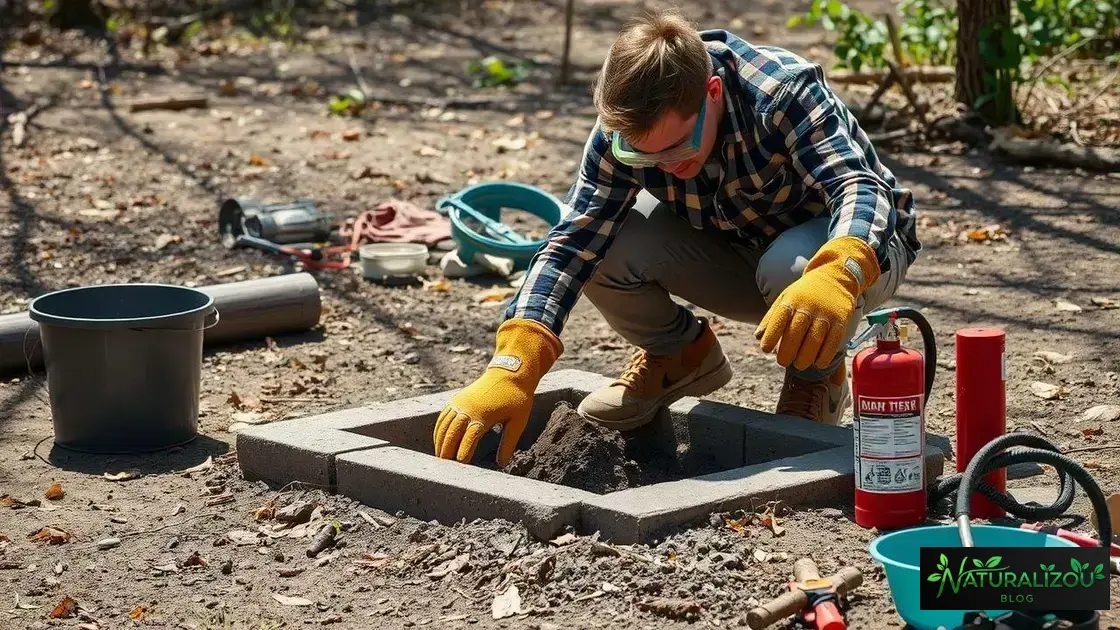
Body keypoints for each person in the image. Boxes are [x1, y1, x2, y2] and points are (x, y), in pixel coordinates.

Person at [433, 8, 921, 468]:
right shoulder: (623, 129)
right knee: (604, 244)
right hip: (740, 249)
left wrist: (839, 271)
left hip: (854, 256)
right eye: (643, 156)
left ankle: (816, 375)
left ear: (712, 93)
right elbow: (571, 243)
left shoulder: (781, 92)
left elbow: (860, 187)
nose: (664, 165)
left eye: (676, 148)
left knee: (790, 266)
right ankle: (680, 354)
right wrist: (514, 363)